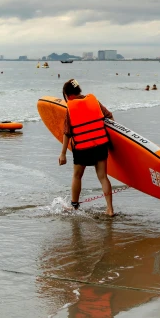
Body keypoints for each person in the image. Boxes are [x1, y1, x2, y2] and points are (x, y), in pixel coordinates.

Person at [59, 79, 115, 216]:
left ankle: (75, 207)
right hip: (100, 145)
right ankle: (110, 209)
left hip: (82, 148)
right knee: (103, 177)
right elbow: (109, 117)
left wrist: (63, 154)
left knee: (77, 176)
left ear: (67, 95)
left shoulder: (70, 108)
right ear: (79, 90)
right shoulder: (94, 101)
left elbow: (67, 132)